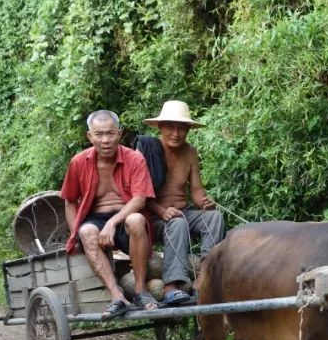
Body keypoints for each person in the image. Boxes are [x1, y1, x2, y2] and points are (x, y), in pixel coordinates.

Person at [61, 110, 158, 318]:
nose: (105, 140)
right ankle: (117, 295)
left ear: (119, 134)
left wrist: (113, 223)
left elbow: (140, 199)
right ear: (90, 136)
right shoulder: (78, 162)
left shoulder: (135, 159)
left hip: (125, 218)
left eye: (110, 133)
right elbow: (69, 200)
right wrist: (74, 233)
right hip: (96, 219)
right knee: (86, 231)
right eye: (99, 134)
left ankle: (141, 291)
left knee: (136, 218)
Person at [143, 100, 225, 306]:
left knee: (214, 218)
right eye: (170, 127)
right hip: (153, 217)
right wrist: (161, 211)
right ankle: (171, 285)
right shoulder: (148, 150)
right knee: (177, 222)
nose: (176, 133)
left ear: (188, 130)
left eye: (182, 128)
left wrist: (204, 202)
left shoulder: (190, 152)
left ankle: (205, 277)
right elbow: (139, 194)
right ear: (161, 127)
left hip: (182, 211)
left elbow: (196, 190)